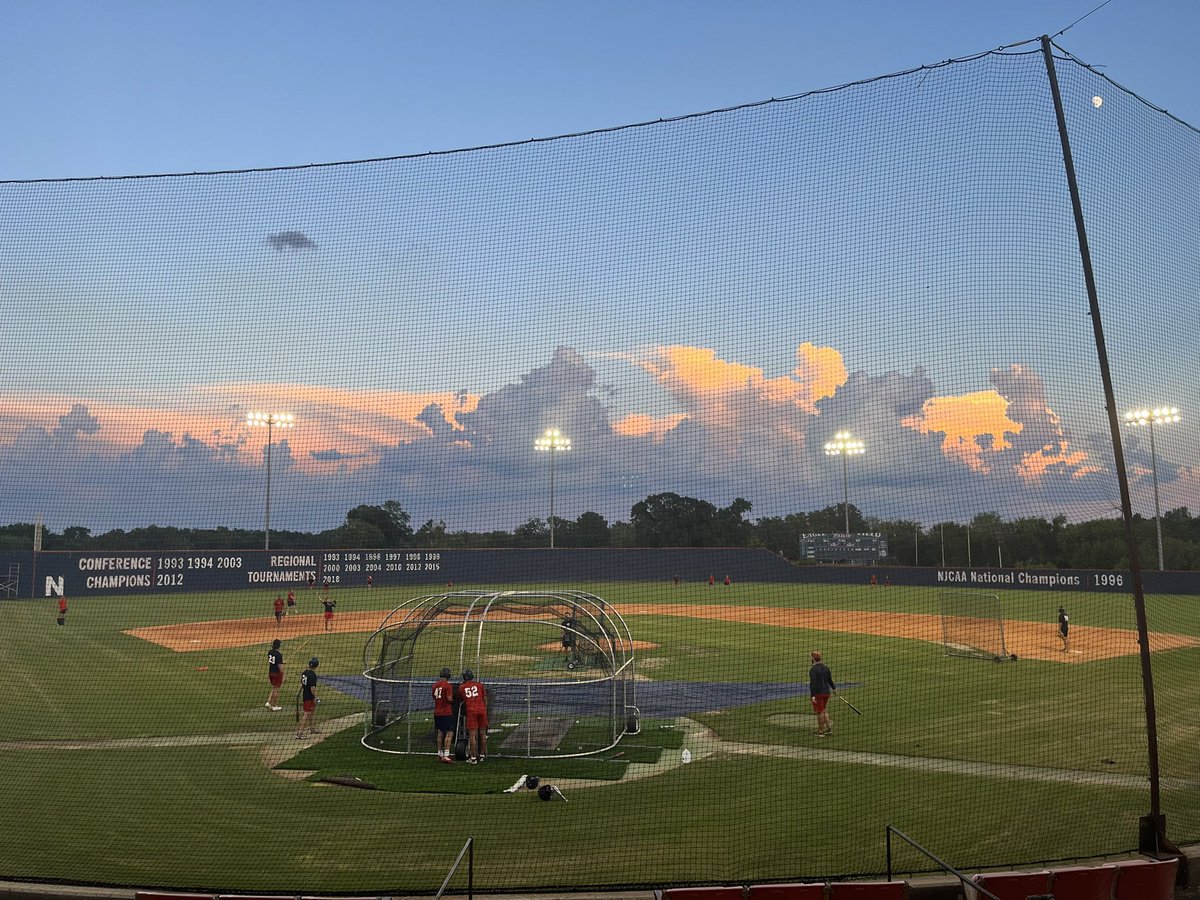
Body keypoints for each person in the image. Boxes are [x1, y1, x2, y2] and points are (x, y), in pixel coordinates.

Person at [459, 668, 488, 763]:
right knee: (483, 734)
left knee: (472, 736)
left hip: (471, 711)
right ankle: (483, 755)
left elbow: (460, 698)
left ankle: (473, 757)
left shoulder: (462, 687)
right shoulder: (479, 685)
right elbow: (485, 698)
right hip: (482, 709)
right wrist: (484, 709)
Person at [432, 666, 456, 764]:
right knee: (450, 732)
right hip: (446, 712)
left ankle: (439, 753)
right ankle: (446, 755)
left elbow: (434, 697)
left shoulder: (434, 685)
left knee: (440, 732)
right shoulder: (448, 686)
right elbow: (449, 699)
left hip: (437, 712)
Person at [808, 650, 836, 737]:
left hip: (818, 694)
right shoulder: (826, 668)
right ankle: (828, 729)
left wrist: (813, 695)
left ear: (813, 659)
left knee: (819, 712)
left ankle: (821, 731)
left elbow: (813, 683)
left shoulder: (813, 669)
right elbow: (829, 680)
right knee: (823, 710)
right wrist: (834, 688)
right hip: (826, 693)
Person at [296, 657, 320, 738]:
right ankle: (300, 733)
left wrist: (298, 693)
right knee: (306, 713)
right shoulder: (312, 675)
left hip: (305, 695)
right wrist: (316, 697)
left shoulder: (304, 672)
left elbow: (302, 684)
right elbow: (312, 688)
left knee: (311, 712)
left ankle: (312, 728)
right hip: (309, 697)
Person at [265, 639, 284, 710]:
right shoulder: (279, 654)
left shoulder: (270, 652)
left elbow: (274, 661)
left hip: (270, 673)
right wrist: (283, 676)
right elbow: (281, 668)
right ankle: (274, 706)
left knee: (274, 687)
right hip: (276, 673)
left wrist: (281, 662)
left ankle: (268, 702)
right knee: (276, 689)